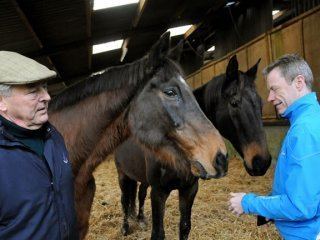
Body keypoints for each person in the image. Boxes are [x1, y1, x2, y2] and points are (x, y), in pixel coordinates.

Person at [228, 54, 320, 240]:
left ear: (299, 82)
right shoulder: (310, 119)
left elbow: (300, 206)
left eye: (274, 89)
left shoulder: (303, 131)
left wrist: (248, 203)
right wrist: (269, 207)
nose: (269, 98)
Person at [0, 51, 78, 239]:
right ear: (2, 101)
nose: (47, 96)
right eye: (33, 91)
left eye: (44, 87)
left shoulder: (54, 136)